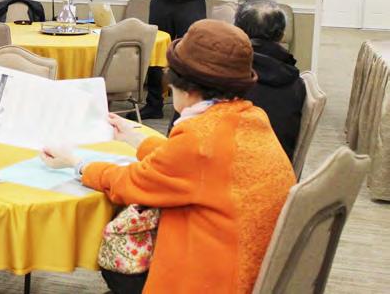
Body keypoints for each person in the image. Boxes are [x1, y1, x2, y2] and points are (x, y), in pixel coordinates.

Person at [41, 19, 295, 294]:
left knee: (120, 265)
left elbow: (133, 182)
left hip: (211, 277)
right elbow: (186, 168)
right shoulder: (250, 117)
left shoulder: (199, 138)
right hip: (252, 265)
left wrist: (76, 162)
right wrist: (135, 138)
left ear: (184, 87)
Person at [235, 0, 305, 161]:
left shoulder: (228, 75)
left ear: (238, 31)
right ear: (281, 35)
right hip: (279, 164)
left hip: (234, 167)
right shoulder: (296, 82)